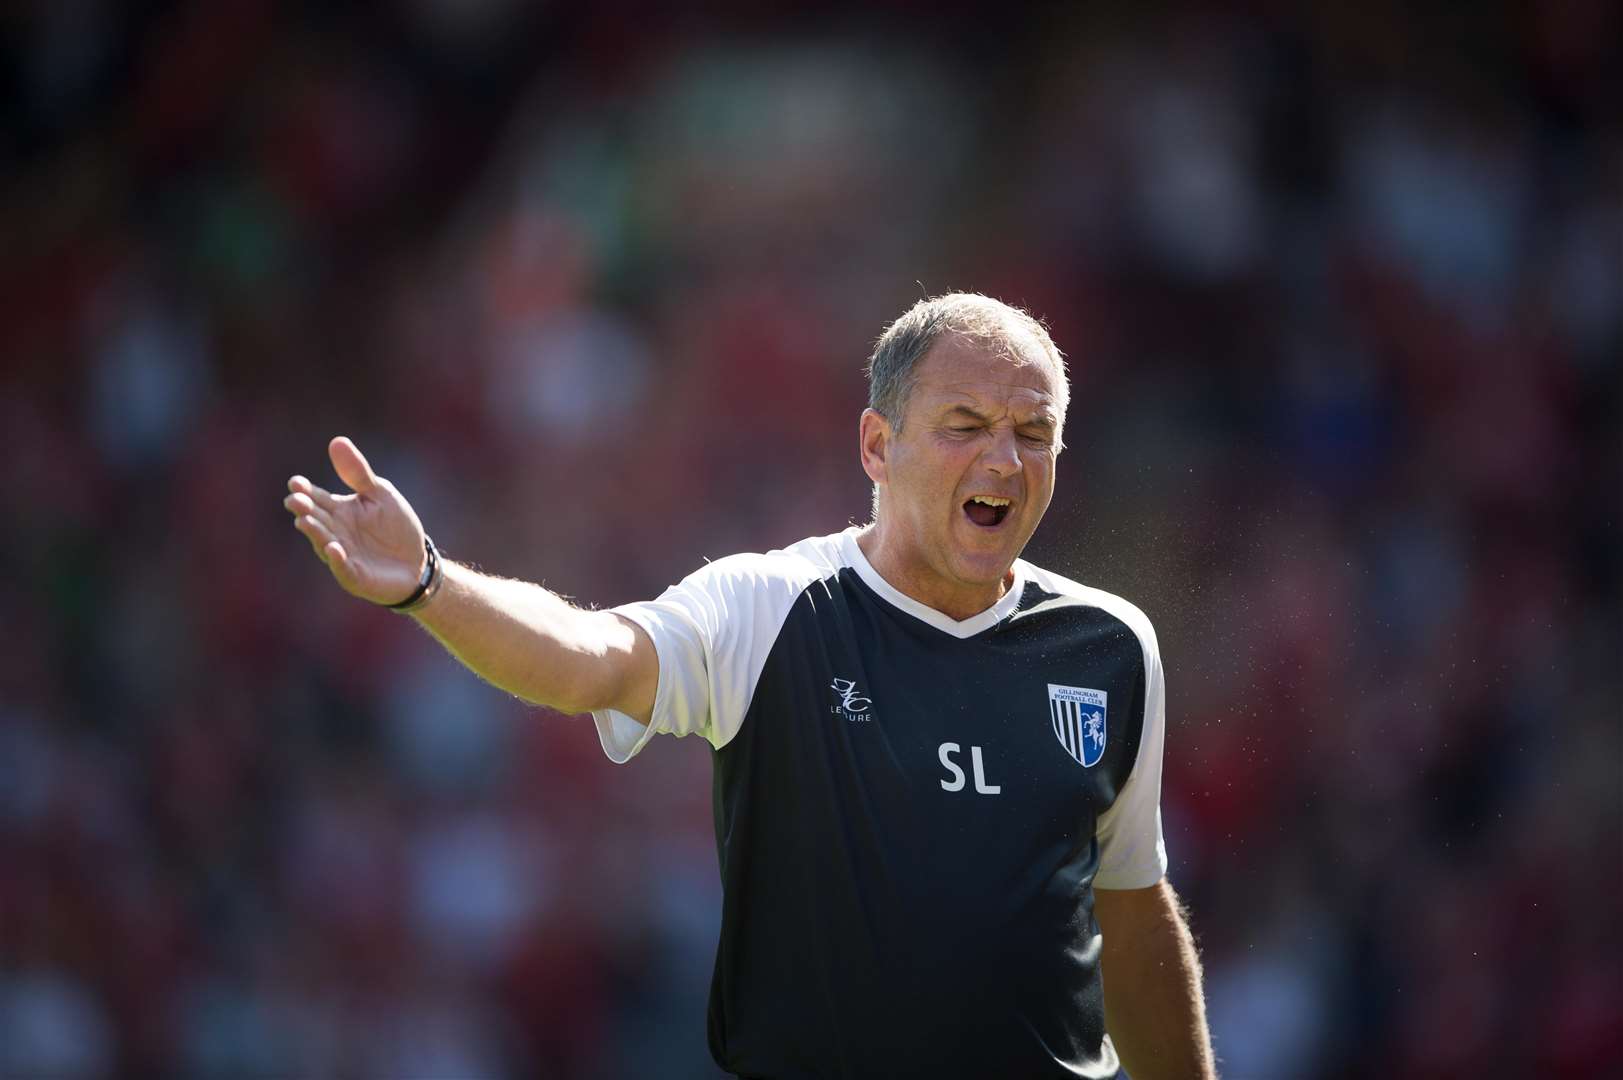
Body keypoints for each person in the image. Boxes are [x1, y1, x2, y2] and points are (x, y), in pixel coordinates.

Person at [284, 293, 1216, 1079]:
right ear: (876, 447)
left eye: (1034, 433)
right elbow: (587, 658)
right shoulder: (772, 608)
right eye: (965, 427)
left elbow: (1130, 908)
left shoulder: (1110, 647)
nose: (1005, 460)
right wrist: (431, 584)